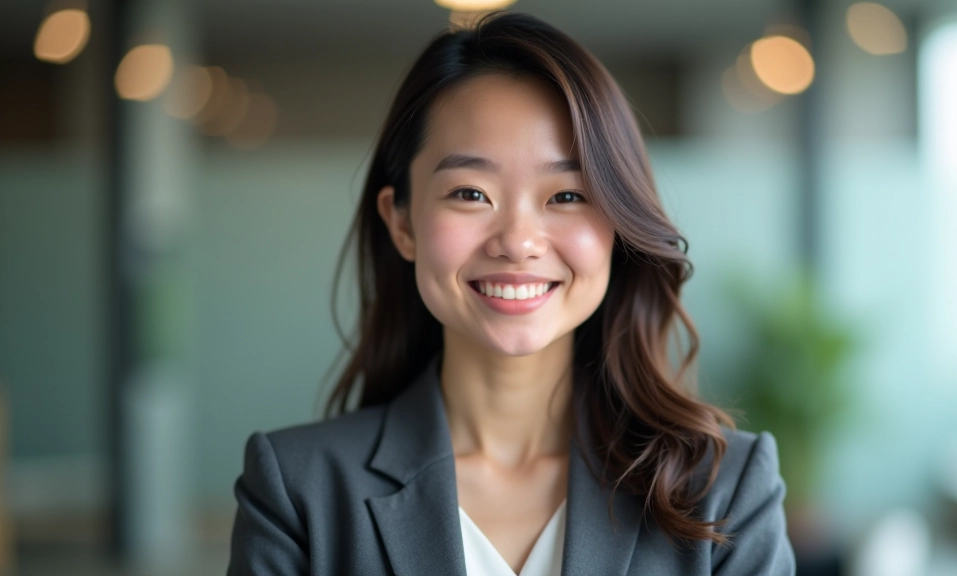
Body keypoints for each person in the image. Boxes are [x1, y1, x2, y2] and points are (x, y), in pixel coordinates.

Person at [227, 11, 795, 576]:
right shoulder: (298, 490)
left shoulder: (724, 488)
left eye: (568, 196)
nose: (518, 242)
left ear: (619, 225)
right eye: (471, 193)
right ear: (401, 223)